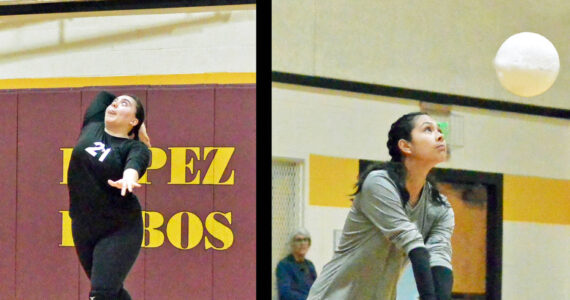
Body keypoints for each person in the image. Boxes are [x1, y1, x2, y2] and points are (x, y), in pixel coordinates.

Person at [307, 112, 455, 300]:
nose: (440, 135)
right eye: (428, 129)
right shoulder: (378, 183)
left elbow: (439, 256)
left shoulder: (440, 207)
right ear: (405, 146)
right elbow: (412, 242)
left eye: (439, 130)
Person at [67, 91, 151, 300]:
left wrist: (129, 176)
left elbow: (135, 164)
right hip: (83, 226)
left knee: (102, 293)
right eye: (114, 103)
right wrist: (141, 125)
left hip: (119, 228)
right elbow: (104, 95)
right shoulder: (93, 125)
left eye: (123, 104)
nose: (114, 105)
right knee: (111, 292)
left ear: (133, 120)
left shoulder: (135, 147)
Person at [276, 228, 318, 300]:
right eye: (298, 240)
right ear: (292, 244)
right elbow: (285, 294)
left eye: (305, 240)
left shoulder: (310, 265)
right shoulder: (284, 265)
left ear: (309, 244)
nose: (302, 243)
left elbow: (317, 289)